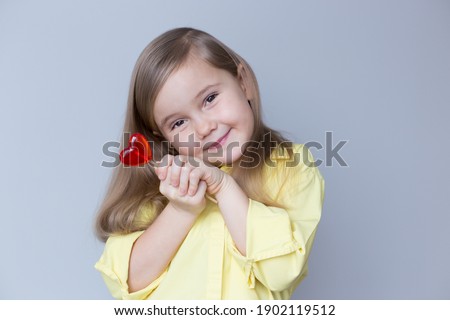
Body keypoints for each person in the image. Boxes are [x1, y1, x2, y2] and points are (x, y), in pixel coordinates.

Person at [94, 27, 325, 299]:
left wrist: (225, 188)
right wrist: (181, 210)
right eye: (179, 122)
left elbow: (281, 271)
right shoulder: (158, 190)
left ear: (243, 82)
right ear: (162, 136)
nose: (203, 128)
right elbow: (126, 284)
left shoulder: (291, 167)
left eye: (210, 98)